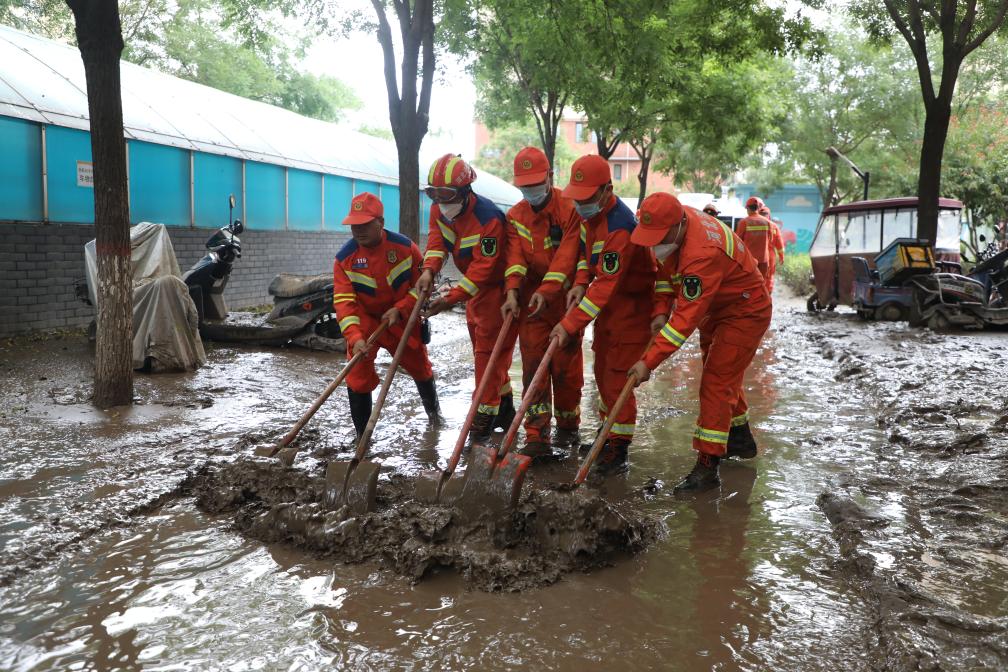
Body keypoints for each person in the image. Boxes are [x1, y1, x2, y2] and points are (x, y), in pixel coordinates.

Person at [627, 193, 772, 493]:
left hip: (745, 310)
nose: (655, 244)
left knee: (716, 381)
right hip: (718, 306)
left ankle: (708, 467)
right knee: (722, 375)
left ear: (678, 225)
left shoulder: (701, 252)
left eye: (659, 237)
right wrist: (658, 312)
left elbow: (682, 324)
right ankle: (740, 439)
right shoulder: (676, 228)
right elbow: (667, 275)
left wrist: (647, 363)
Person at [548, 154, 657, 475]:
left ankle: (618, 451)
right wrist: (580, 283)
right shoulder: (590, 219)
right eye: (577, 197)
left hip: (633, 309)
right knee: (602, 369)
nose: (580, 203)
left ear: (607, 190)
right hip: (612, 307)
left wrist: (568, 324)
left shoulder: (619, 227)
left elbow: (605, 286)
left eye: (586, 197)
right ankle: (607, 433)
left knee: (616, 379)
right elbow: (586, 258)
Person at [416, 154, 517, 441]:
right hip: (475, 294)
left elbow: (483, 271)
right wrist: (428, 270)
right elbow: (437, 242)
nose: (439, 201)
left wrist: (450, 299)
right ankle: (506, 410)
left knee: (487, 357)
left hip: (497, 293)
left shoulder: (489, 219)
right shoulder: (440, 210)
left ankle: (482, 422)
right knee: (487, 356)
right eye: (432, 194)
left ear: (464, 191)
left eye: (445, 194)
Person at [332, 192, 441, 439]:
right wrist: (355, 337)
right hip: (366, 320)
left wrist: (401, 309)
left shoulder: (405, 248)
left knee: (420, 368)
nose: (358, 230)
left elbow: (423, 287)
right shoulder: (344, 260)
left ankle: (435, 418)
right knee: (357, 372)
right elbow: (344, 303)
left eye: (364, 224)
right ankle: (362, 438)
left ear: (380, 222)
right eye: (354, 225)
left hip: (401, 319)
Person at [501, 147, 584, 459]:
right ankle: (536, 436)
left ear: (550, 177)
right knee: (533, 368)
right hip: (532, 305)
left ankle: (568, 428)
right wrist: (511, 292)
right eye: (525, 186)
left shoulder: (571, 208)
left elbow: (568, 257)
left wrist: (550, 290)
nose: (531, 191)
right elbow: (515, 259)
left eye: (536, 183)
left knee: (567, 372)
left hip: (565, 301)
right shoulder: (516, 216)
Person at [736, 196, 772, 283]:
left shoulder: (744, 222)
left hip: (749, 260)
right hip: (764, 261)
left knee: (748, 284)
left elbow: (737, 242)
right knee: (761, 284)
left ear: (748, 208)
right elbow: (770, 240)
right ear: (758, 208)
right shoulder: (767, 222)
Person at [758, 205, 786, 295]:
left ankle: (758, 296)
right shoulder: (773, 226)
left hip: (755, 255)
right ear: (769, 215)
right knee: (769, 277)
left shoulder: (752, 224)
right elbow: (779, 244)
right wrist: (782, 257)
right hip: (769, 256)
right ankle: (766, 295)